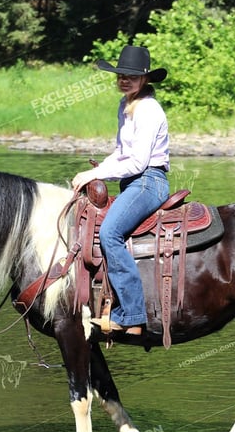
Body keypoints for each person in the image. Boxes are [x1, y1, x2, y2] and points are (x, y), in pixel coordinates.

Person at [71, 45, 170, 336]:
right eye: (120, 75)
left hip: (149, 181)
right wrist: (97, 170)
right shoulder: (126, 106)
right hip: (133, 182)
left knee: (110, 233)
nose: (124, 80)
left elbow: (138, 162)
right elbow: (120, 153)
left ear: (145, 79)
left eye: (131, 76)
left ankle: (132, 315)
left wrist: (96, 172)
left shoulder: (149, 110)